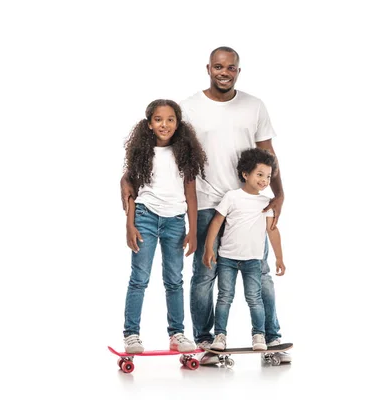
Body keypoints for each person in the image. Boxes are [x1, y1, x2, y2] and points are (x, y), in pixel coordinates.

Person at [120, 46, 291, 364]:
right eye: (217, 66)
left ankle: (271, 336)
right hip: (206, 202)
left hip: (249, 203)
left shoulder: (255, 106)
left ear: (238, 70)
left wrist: (279, 195)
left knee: (260, 269)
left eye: (230, 67)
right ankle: (205, 340)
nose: (224, 72)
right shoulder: (189, 107)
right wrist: (129, 189)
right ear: (208, 68)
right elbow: (167, 154)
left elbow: (268, 154)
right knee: (203, 273)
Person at [120, 99, 207, 354]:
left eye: (170, 119)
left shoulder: (184, 154)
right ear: (149, 124)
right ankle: (131, 334)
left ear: (178, 124)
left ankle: (177, 334)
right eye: (158, 119)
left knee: (174, 280)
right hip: (145, 217)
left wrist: (192, 230)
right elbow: (132, 193)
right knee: (139, 278)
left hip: (175, 222)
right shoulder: (141, 153)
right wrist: (129, 224)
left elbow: (191, 195)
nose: (164, 124)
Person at [202, 148, 285, 351]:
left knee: (254, 299)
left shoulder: (266, 203)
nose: (264, 180)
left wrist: (279, 258)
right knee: (224, 297)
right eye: (259, 175)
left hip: (253, 261)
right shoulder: (232, 197)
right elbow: (216, 222)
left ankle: (259, 335)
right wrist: (208, 249)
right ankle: (220, 336)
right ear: (245, 174)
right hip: (227, 259)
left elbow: (272, 231)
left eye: (267, 176)